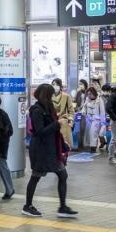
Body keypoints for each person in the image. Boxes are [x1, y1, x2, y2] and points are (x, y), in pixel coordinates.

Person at [23, 84, 78, 218]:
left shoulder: (48, 107)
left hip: (52, 149)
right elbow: (40, 131)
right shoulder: (36, 110)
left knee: (62, 175)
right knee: (35, 177)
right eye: (51, 95)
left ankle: (63, 207)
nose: (53, 97)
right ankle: (27, 206)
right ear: (45, 95)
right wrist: (57, 123)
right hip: (41, 150)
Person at [51, 78, 74, 150]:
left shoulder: (66, 96)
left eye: (57, 84)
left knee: (64, 144)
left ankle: (64, 159)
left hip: (64, 122)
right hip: (52, 122)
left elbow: (71, 110)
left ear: (60, 86)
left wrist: (70, 120)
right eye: (53, 84)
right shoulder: (49, 97)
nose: (55, 86)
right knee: (54, 144)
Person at [81, 86, 106, 152]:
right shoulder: (87, 99)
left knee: (93, 133)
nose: (89, 95)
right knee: (88, 133)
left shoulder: (99, 100)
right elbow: (84, 107)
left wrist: (103, 123)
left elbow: (102, 112)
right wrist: (83, 111)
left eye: (90, 94)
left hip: (96, 119)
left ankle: (93, 147)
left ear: (94, 93)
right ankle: (89, 146)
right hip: (88, 118)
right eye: (88, 94)